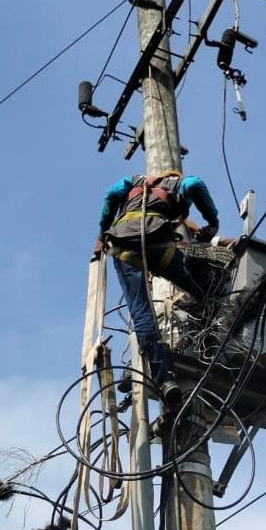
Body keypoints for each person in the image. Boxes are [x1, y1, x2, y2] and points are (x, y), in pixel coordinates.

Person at [91, 171, 224, 408]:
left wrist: (102, 232)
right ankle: (212, 316)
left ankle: (165, 380)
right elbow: (194, 183)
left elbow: (110, 195)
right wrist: (212, 222)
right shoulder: (175, 183)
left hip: (124, 246)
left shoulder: (131, 183)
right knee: (196, 287)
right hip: (158, 244)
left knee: (142, 314)